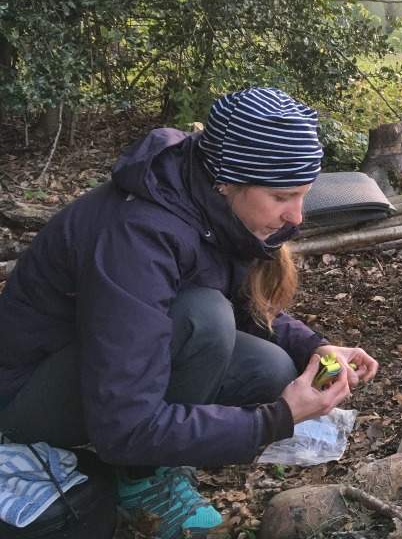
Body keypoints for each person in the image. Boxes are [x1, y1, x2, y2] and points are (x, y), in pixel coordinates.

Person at [0, 87, 378, 538]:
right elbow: (123, 424)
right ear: (229, 181)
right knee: (204, 316)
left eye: (303, 195)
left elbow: (241, 301)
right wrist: (277, 418)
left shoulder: (200, 195)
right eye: (282, 197)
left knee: (270, 364)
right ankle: (141, 480)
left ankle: (151, 465)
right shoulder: (140, 235)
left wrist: (313, 345)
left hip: (98, 361)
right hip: (24, 397)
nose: (296, 217)